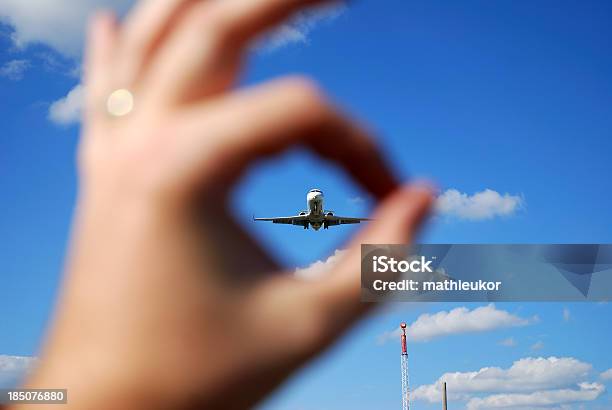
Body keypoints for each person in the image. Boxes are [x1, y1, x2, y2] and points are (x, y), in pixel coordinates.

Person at [11, 0, 433, 409]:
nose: (315, 198)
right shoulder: (305, 208)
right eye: (313, 198)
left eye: (316, 198)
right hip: (309, 226)